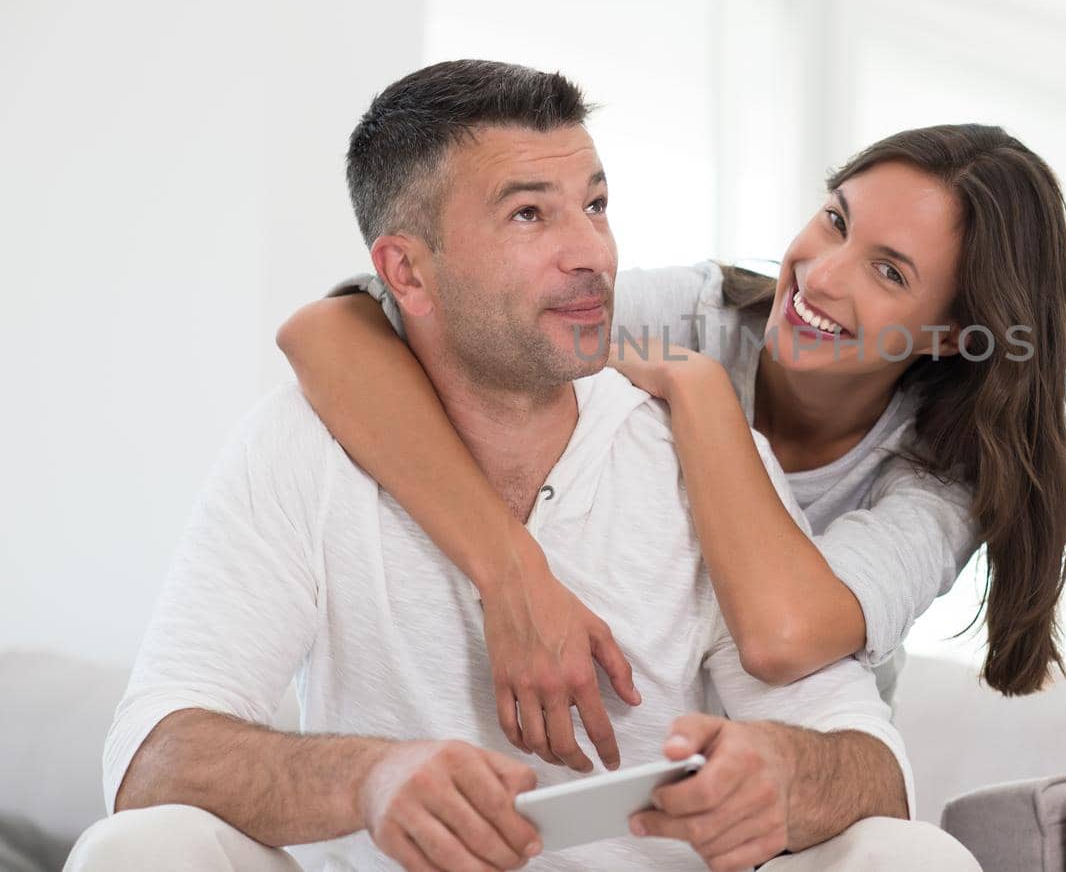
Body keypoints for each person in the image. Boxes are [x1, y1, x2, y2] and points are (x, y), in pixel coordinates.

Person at [68, 60, 978, 872]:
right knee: (138, 849)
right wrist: (371, 779)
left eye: (596, 203)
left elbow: (867, 758)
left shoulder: (714, 458)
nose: (593, 252)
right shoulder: (306, 442)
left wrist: (780, 770)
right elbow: (153, 759)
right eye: (530, 214)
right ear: (408, 274)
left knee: (910, 857)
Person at [277, 95, 1066, 769]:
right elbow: (330, 334)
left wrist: (701, 392)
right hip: (635, 742)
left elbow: (781, 638)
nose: (823, 274)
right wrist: (510, 571)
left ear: (951, 334)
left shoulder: (936, 484)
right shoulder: (696, 311)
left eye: (889, 272)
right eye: (835, 221)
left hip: (791, 784)